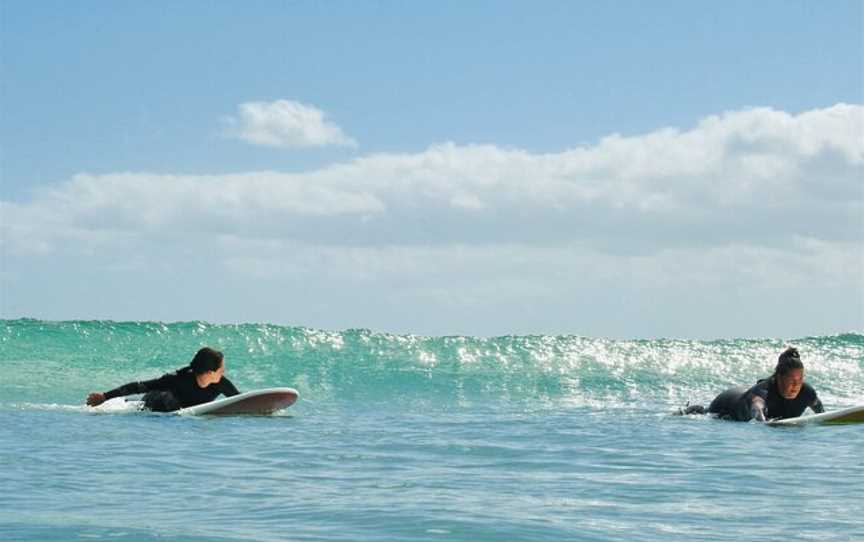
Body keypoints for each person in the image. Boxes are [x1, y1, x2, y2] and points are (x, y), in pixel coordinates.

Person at [680, 347, 824, 421]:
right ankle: (689, 410)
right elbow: (757, 407)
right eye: (791, 380)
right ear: (779, 377)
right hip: (727, 405)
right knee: (707, 414)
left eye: (800, 380)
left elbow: (819, 409)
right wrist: (762, 420)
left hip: (742, 393)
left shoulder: (806, 392)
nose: (796, 385)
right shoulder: (764, 391)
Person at [86, 347, 240, 412]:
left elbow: (240, 401)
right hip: (154, 403)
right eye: (221, 369)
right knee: (166, 397)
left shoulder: (221, 384)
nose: (224, 372)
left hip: (183, 410)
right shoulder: (177, 379)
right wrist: (105, 396)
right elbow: (140, 386)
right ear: (210, 372)